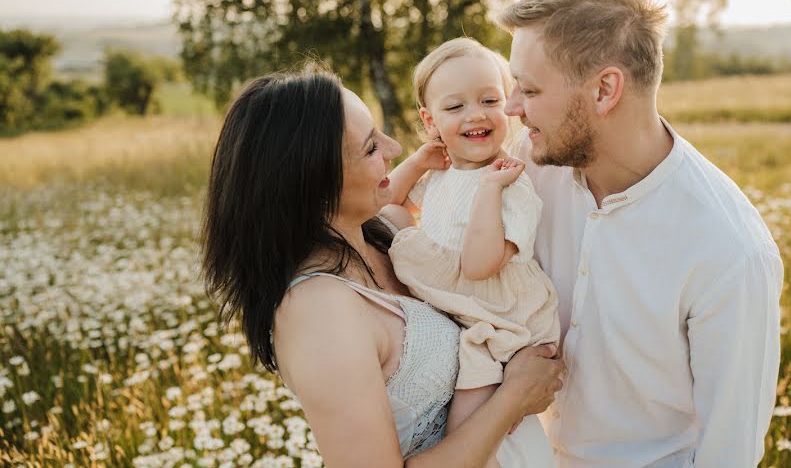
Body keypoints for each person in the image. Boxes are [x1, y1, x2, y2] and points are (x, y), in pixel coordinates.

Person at [199, 69, 564, 467]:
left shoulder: (384, 236)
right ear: (315, 181)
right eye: (371, 147)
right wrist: (513, 399)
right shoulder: (317, 311)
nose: (393, 147)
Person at [498, 0, 784, 467]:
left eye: (528, 89)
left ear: (605, 90)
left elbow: (729, 452)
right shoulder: (527, 168)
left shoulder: (730, 251)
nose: (511, 107)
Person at [387, 38, 560, 467]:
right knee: (394, 217)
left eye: (489, 100)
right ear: (431, 121)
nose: (475, 114)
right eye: (455, 107)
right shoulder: (445, 172)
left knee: (468, 427)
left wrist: (490, 189)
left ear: (508, 106)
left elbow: (479, 265)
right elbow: (384, 205)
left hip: (501, 319)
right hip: (465, 304)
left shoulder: (510, 184)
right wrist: (416, 162)